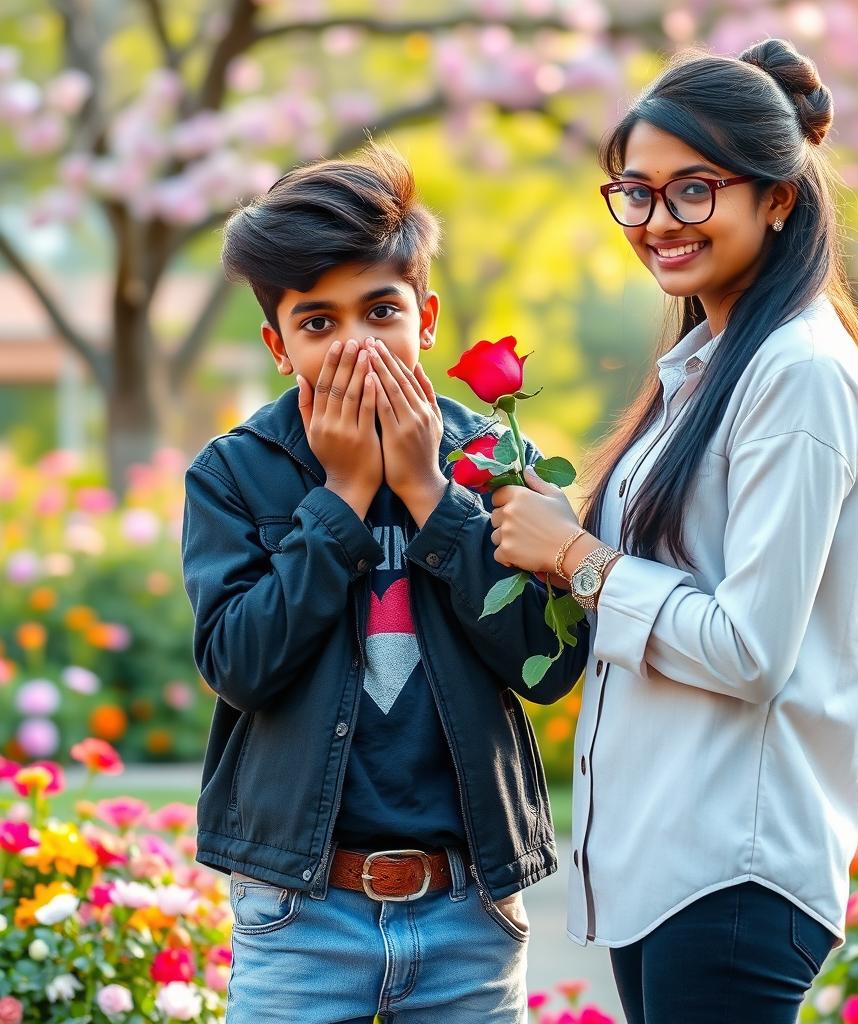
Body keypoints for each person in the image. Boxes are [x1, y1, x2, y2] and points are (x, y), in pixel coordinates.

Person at [488, 38, 858, 1023]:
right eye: (634, 192)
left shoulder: (796, 370)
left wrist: (575, 555)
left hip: (731, 868)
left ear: (777, 196)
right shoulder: (708, 365)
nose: (656, 222)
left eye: (693, 191)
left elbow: (749, 648)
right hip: (674, 861)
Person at [180, 144, 588, 1023]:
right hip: (301, 914)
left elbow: (549, 667)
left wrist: (433, 497)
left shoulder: (496, 460)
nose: (355, 344)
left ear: (426, 317)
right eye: (317, 323)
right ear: (278, 345)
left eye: (380, 310)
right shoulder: (233, 475)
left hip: (466, 912)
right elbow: (239, 665)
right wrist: (342, 497)